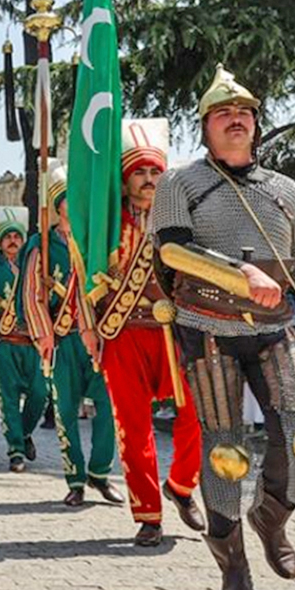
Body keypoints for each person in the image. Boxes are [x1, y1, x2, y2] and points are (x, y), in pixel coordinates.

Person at [151, 65, 295, 590]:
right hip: (208, 328)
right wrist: (239, 273)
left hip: (276, 328)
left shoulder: (286, 191)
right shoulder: (179, 184)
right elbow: (171, 252)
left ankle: (271, 517)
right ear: (205, 127)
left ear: (256, 124)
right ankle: (232, 566)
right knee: (226, 453)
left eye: (244, 113)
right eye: (223, 113)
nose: (235, 120)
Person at [94, 119, 205, 546]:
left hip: (174, 332)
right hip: (123, 331)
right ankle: (149, 515)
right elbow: (85, 275)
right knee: (134, 427)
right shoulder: (106, 224)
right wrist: (88, 329)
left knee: (197, 413)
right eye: (139, 172)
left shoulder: (180, 222)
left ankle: (180, 486)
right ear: (125, 180)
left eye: (155, 171)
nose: (147, 179)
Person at [23, 160, 123, 506]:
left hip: (98, 337)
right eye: (68, 197)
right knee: (66, 412)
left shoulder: (96, 240)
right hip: (62, 339)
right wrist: (43, 336)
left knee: (108, 407)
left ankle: (100, 472)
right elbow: (31, 294)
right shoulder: (42, 245)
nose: (74, 202)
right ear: (57, 203)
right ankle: (76, 480)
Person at [0, 206, 44, 472]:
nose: (13, 241)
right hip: (5, 341)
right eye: (8, 237)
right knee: (9, 397)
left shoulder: (35, 263)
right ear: (0, 241)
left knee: (41, 394)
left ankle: (24, 433)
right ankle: (15, 450)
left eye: (17, 236)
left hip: (33, 341)